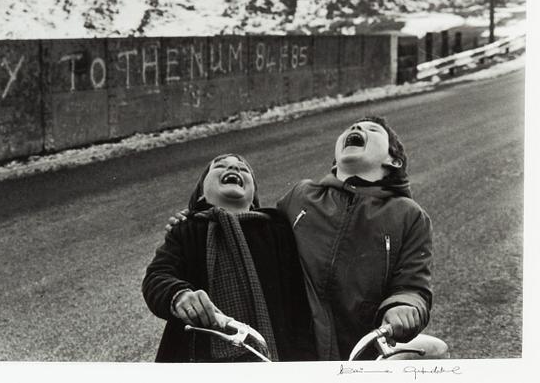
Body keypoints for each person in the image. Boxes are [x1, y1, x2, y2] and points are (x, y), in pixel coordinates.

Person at [165, 117, 446, 361]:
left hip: (361, 349)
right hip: (299, 348)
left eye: (372, 130)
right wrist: (195, 218)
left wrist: (404, 307)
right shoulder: (301, 195)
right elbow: (249, 227)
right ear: (336, 156)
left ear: (393, 160)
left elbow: (413, 285)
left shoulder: (409, 215)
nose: (358, 127)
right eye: (353, 127)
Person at [142, 154, 317, 362]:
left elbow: (298, 302)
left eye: (243, 169)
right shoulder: (187, 230)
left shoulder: (276, 229)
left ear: (254, 199)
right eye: (220, 166)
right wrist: (178, 295)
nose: (234, 167)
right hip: (197, 357)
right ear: (201, 195)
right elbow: (157, 276)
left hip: (274, 356)